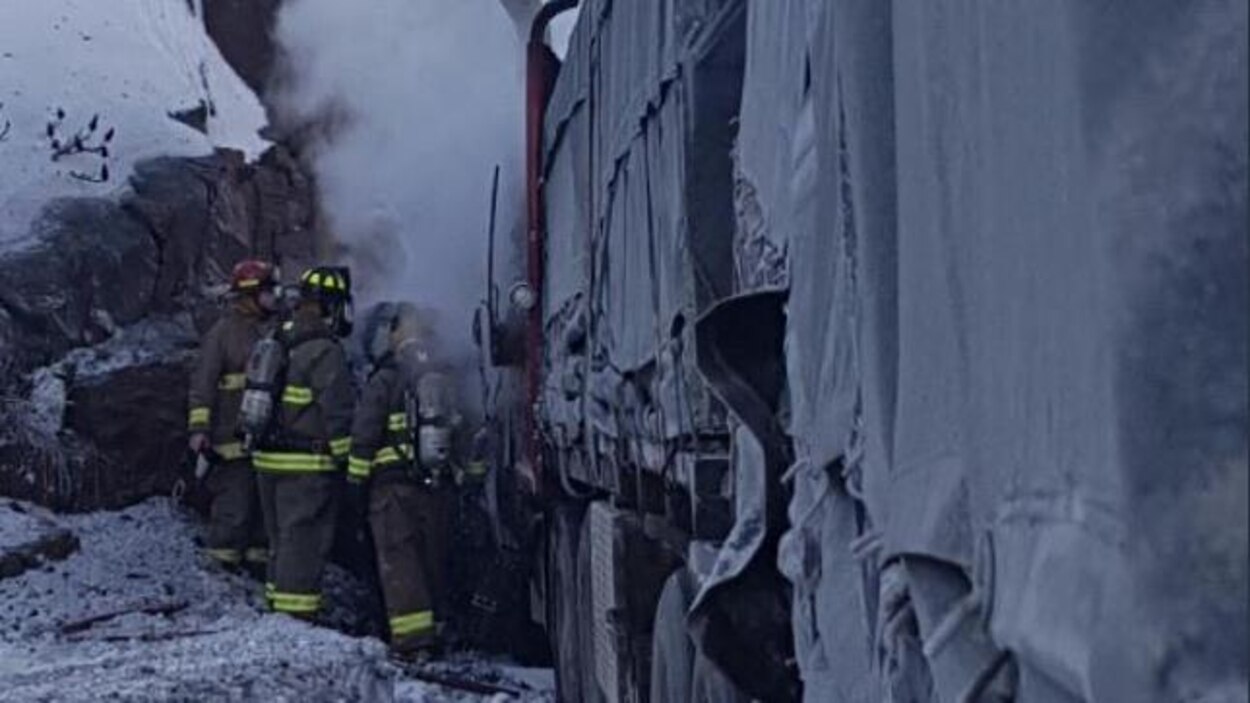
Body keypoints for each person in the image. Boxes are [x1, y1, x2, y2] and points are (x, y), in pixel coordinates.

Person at [346, 302, 451, 656]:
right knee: (432, 558)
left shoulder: (387, 376)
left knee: (400, 562)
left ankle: (411, 641)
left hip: (391, 490)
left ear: (396, 333)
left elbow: (364, 434)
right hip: (433, 486)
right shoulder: (440, 373)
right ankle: (438, 628)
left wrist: (355, 486)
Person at [251, 265, 355, 620]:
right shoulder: (325, 350)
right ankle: (294, 621)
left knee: (280, 542)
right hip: (305, 466)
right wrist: (349, 464)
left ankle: (275, 612)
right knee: (303, 543)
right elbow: (337, 412)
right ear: (330, 306)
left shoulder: (279, 336)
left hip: (268, 459)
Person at [186, 259, 279, 573]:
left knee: (262, 512)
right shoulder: (223, 333)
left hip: (267, 439)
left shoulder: (275, 330)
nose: (273, 298)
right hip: (230, 439)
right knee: (234, 508)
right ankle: (219, 572)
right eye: (267, 292)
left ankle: (256, 569)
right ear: (250, 295)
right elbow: (203, 383)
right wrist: (199, 429)